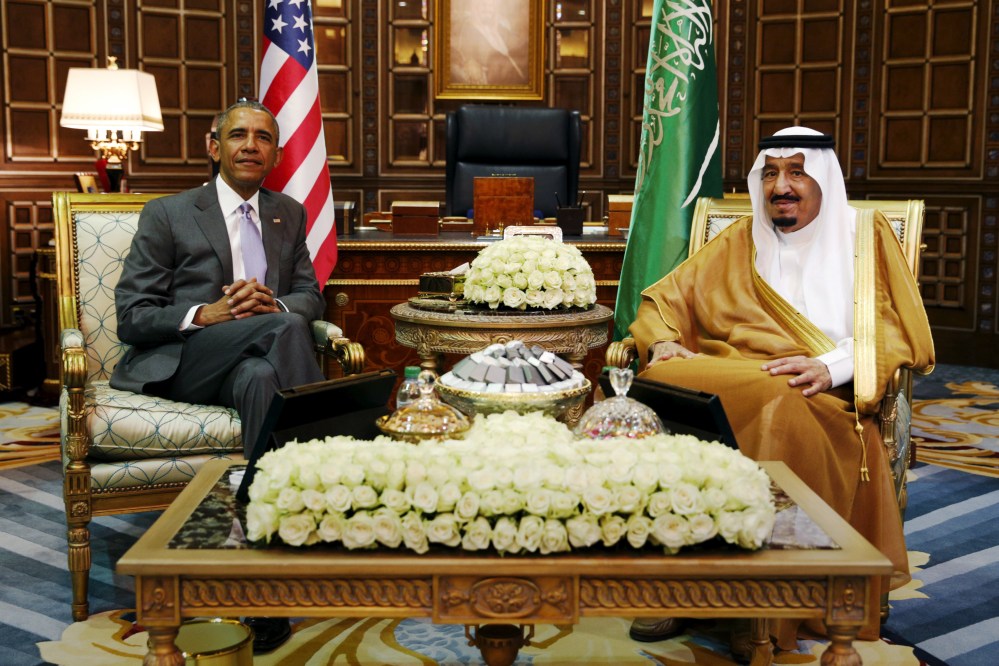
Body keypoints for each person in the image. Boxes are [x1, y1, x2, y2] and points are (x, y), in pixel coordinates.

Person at [626, 126, 935, 652]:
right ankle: (678, 585)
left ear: (823, 180)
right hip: (734, 376)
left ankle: (759, 607)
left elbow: (900, 329)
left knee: (778, 404)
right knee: (659, 380)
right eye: (770, 173)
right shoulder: (739, 239)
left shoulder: (866, 236)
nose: (780, 186)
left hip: (821, 396)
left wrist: (834, 366)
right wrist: (661, 343)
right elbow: (663, 301)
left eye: (796, 172)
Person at [111, 99, 325, 653]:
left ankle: (260, 573)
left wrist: (271, 303)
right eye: (238, 135)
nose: (250, 145)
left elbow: (309, 295)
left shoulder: (289, 213)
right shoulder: (169, 213)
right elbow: (132, 317)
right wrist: (204, 314)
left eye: (263, 137)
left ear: (276, 152)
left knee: (261, 373)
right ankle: (322, 493)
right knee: (282, 333)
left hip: (254, 357)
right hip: (187, 360)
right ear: (215, 147)